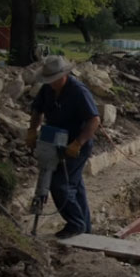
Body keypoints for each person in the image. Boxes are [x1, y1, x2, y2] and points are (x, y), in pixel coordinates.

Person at [26, 56, 100, 239]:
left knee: (60, 184)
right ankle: (85, 229)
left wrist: (78, 143)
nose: (51, 83)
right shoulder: (47, 90)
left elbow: (94, 120)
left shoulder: (78, 91)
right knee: (75, 186)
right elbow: (37, 110)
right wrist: (32, 130)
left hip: (77, 145)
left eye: (53, 80)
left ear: (64, 75)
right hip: (54, 141)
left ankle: (75, 224)